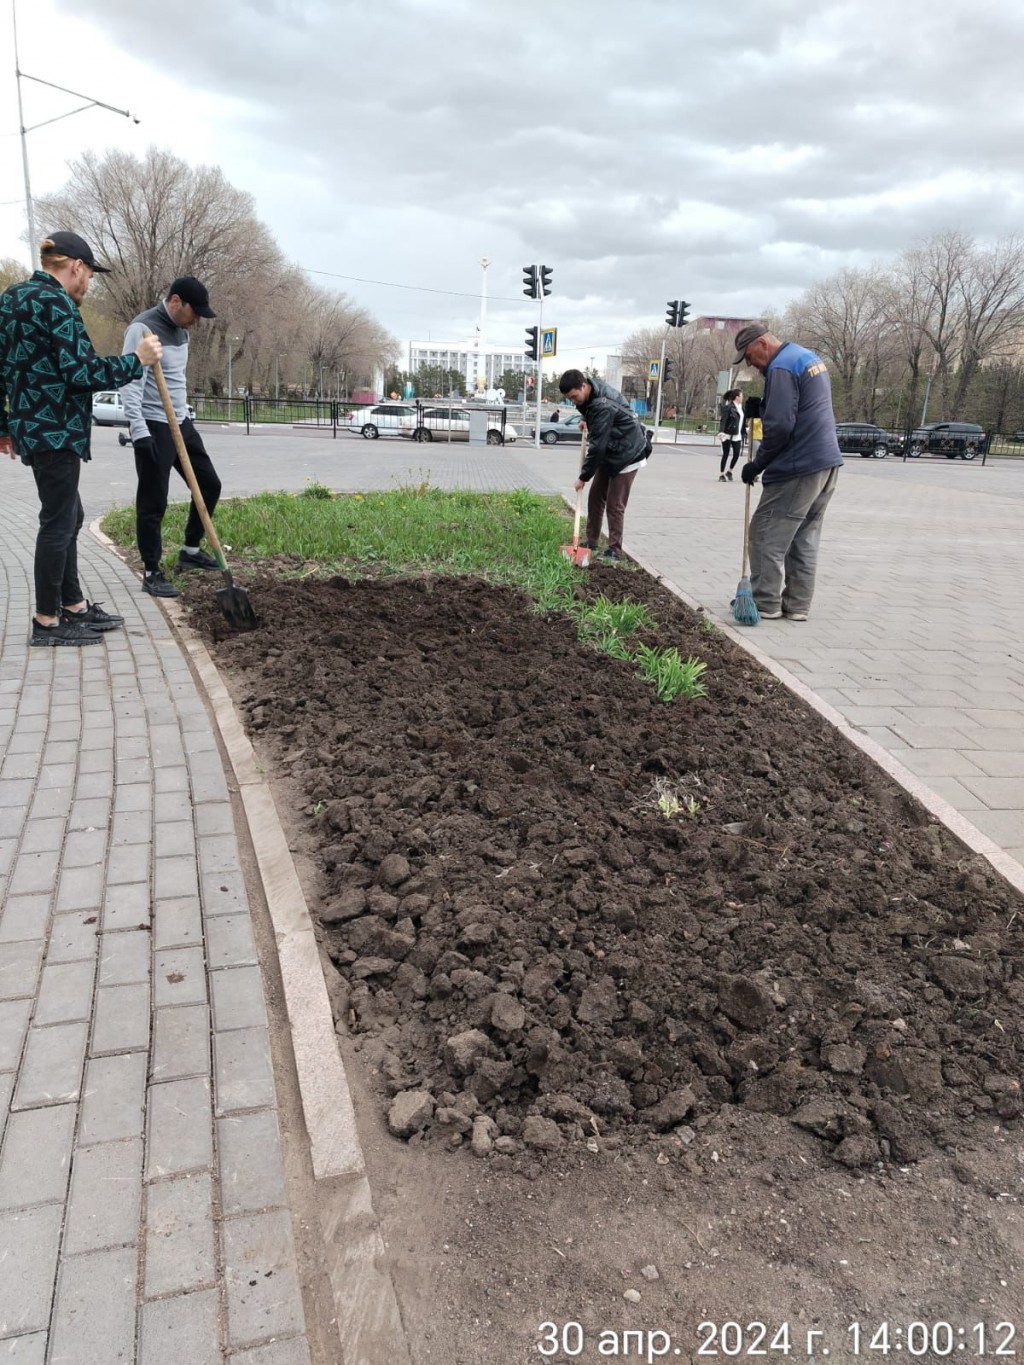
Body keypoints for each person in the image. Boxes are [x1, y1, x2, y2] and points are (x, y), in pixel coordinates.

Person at [0, 232, 163, 646]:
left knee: (69, 516)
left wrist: (4, 426)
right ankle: (46, 622)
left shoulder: (11, 298)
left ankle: (71, 606)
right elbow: (82, 373)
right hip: (56, 429)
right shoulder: (59, 304)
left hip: (32, 428)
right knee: (57, 523)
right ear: (75, 266)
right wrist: (136, 362)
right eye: (89, 275)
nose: (88, 284)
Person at [734, 324, 843, 621]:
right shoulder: (807, 358)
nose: (749, 363)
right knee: (804, 536)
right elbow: (801, 409)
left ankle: (765, 602)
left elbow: (781, 427)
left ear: (761, 344)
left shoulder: (781, 367)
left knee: (764, 532)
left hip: (799, 467)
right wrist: (766, 405)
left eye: (748, 355)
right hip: (827, 464)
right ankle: (797, 606)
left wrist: (757, 464)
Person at [122, 277, 220, 599]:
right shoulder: (143, 329)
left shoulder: (183, 332)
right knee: (153, 501)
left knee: (209, 484)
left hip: (181, 422)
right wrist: (139, 430)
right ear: (176, 301)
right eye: (196, 312)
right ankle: (151, 570)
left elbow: (176, 380)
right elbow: (130, 382)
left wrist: (186, 413)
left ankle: (190, 550)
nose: (199, 320)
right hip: (153, 423)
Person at [558, 368, 649, 562]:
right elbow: (594, 413)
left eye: (574, 397)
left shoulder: (601, 406)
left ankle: (615, 551)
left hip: (628, 452)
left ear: (583, 386)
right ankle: (591, 542)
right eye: (570, 399)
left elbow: (597, 448)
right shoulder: (594, 389)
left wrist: (583, 477)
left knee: (615, 504)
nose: (574, 401)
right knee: (595, 497)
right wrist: (585, 419)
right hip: (612, 450)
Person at [717, 388, 745, 481]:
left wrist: (745, 429)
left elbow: (742, 421)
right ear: (737, 397)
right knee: (726, 453)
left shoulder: (742, 408)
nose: (742, 398)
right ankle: (721, 474)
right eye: (741, 396)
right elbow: (723, 420)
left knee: (736, 454)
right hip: (727, 433)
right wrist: (721, 432)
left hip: (737, 435)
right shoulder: (729, 407)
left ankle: (729, 471)